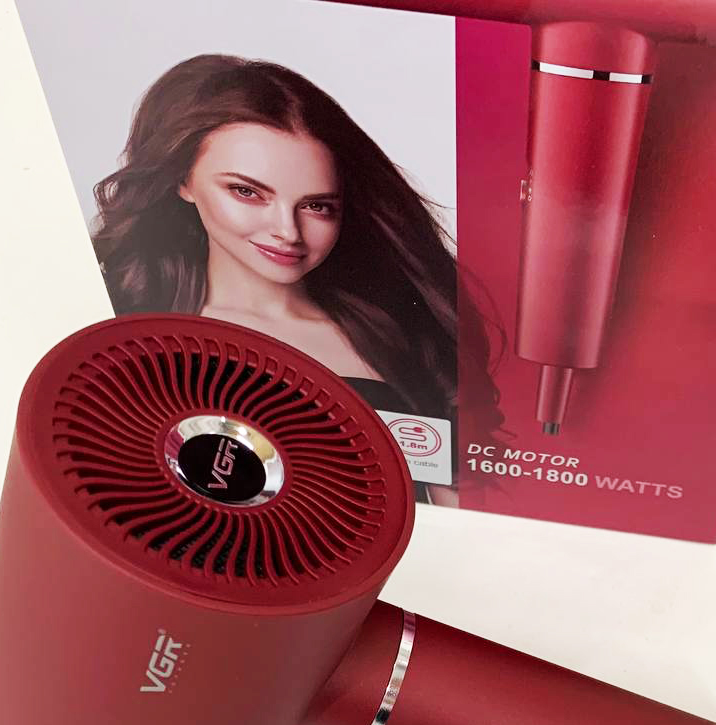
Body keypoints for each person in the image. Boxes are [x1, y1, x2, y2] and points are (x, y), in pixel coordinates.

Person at [91, 54, 475, 438]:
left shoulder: (400, 340)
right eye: (247, 192)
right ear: (183, 181)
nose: (288, 231)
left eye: (316, 206)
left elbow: (444, 477)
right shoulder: (112, 321)